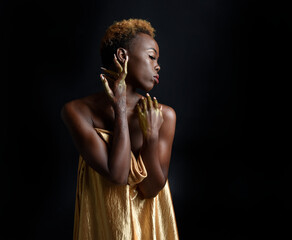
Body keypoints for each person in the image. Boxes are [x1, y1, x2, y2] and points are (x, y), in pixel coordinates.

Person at [61, 18, 179, 240]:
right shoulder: (77, 111)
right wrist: (121, 110)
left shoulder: (164, 115)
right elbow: (117, 174)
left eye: (158, 60)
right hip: (104, 224)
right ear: (123, 56)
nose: (158, 65)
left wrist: (151, 137)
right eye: (152, 56)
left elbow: (150, 189)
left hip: (149, 226)